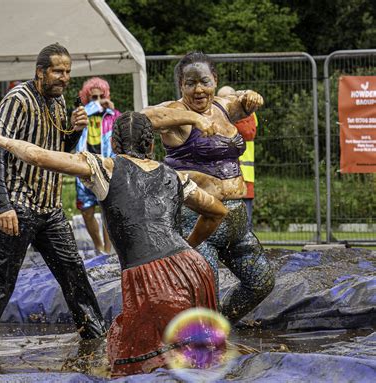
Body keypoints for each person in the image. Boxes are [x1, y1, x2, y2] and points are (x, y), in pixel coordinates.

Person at [0, 111, 228, 376]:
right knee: (196, 364)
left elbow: (39, 157)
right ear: (151, 145)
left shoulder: (105, 169)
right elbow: (217, 212)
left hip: (152, 277)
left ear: (114, 144)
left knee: (144, 367)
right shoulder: (175, 177)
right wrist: (187, 249)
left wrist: (0, 139)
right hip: (196, 271)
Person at [0, 43, 106, 349]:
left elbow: (59, 153)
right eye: (57, 71)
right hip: (18, 205)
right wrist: (3, 206)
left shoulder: (58, 100)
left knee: (75, 275)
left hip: (50, 208)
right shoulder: (18, 99)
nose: (64, 77)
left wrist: (76, 131)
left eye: (67, 71)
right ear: (40, 72)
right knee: (1, 285)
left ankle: (98, 342)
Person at [143, 52, 275, 323]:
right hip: (198, 222)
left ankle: (219, 326)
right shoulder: (178, 112)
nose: (198, 89)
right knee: (206, 293)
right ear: (181, 86)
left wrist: (251, 97)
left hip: (236, 220)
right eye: (190, 83)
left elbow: (245, 101)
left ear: (215, 80)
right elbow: (144, 117)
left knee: (261, 282)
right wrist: (193, 120)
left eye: (204, 81)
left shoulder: (223, 107)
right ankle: (205, 346)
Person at [76, 77, 121, 255]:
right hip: (83, 166)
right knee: (86, 210)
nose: (98, 100)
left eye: (101, 96)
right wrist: (96, 106)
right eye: (93, 97)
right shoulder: (82, 113)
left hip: (106, 167)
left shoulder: (113, 115)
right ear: (87, 97)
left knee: (107, 211)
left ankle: (108, 252)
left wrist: (111, 109)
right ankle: (98, 248)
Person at [218, 86, 258, 230]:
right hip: (220, 180)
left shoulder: (248, 113)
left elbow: (248, 132)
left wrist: (237, 113)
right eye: (221, 99)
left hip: (243, 179)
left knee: (244, 225)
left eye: (228, 99)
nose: (224, 103)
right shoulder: (214, 114)